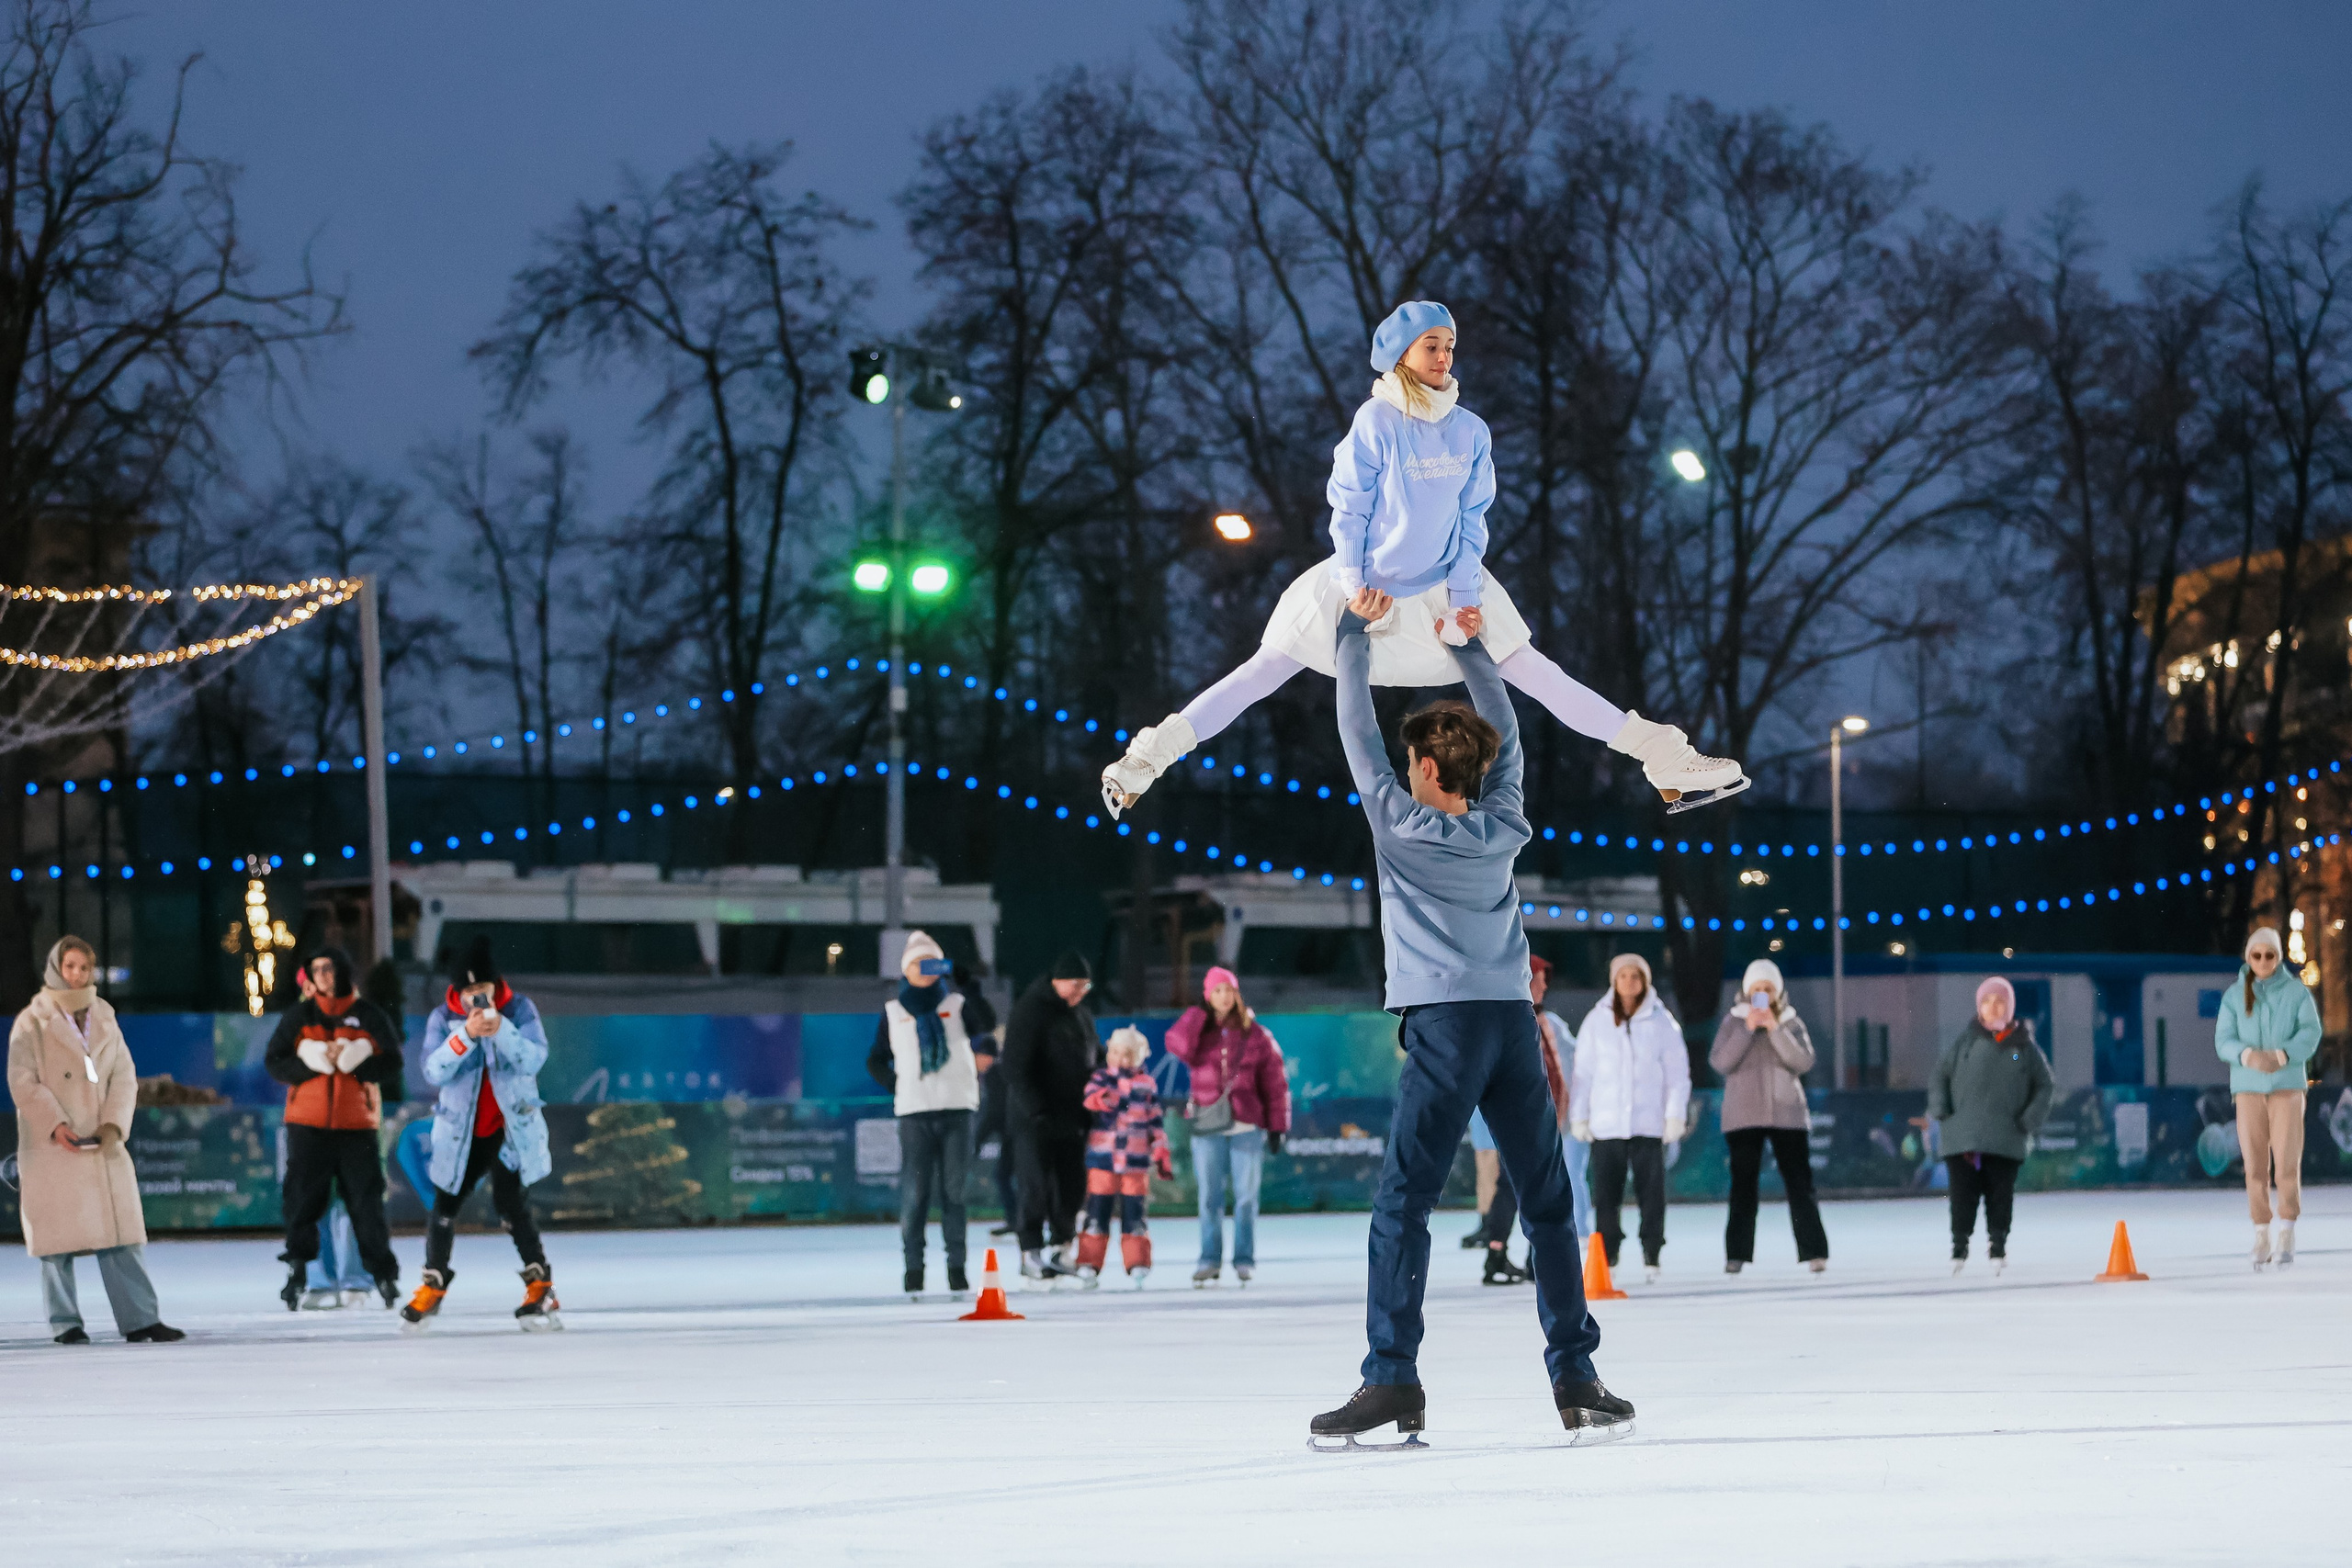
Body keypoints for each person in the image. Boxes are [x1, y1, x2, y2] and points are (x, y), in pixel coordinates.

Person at [1101, 299, 1744, 822]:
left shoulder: (1469, 430)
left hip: (1446, 589)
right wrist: (1354, 585)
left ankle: (1663, 757)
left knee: (1539, 673)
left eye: (1450, 346)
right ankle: (1145, 760)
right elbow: (1347, 511)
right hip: (1367, 589)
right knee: (1260, 672)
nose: (1445, 356)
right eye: (1432, 345)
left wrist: (1465, 595)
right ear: (1402, 354)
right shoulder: (1376, 421)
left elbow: (1472, 519)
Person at [1308, 589, 1632, 1450]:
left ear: (1422, 768)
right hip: (1511, 1023)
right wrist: (1472, 648)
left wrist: (1350, 634)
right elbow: (1510, 732)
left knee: (1402, 1203)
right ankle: (1576, 1376)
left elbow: (1354, 731)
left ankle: (1391, 1379)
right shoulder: (1504, 821)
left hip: (1447, 1027)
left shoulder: (1399, 824)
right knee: (1548, 1203)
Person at [7, 938, 183, 1344]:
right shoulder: (32, 1020)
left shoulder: (104, 1014)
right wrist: (55, 1124)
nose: (77, 975)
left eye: (84, 968)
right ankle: (65, 1323)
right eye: (70, 966)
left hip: (101, 1142)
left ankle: (141, 1319)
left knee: (121, 1234)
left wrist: (113, 1125)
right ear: (56, 968)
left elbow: (124, 1074)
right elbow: (22, 1081)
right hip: (54, 1142)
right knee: (55, 1242)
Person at [401, 938, 559, 1329]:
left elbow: (535, 1058)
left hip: (510, 1129)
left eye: (482, 989)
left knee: (512, 1206)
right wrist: (466, 1037)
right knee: (445, 1204)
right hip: (463, 1133)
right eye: (469, 991)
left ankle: (541, 1286)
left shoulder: (519, 1009)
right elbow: (433, 1070)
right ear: (457, 991)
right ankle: (433, 1285)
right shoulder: (443, 1018)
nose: (476, 998)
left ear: (494, 983)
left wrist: (502, 1029)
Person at [266, 945, 404, 1311]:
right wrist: (312, 1062)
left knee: (364, 1202)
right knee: (304, 1203)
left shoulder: (367, 1015)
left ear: (343, 971)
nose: (324, 975)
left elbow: (392, 1061)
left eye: (329, 968)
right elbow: (275, 1062)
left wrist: (356, 1061)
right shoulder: (300, 1015)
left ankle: (374, 1276)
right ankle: (307, 1276)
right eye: (317, 969)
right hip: (307, 1124)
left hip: (356, 1124)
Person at [866, 931, 988, 1297]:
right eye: (918, 963)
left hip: (956, 1109)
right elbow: (875, 1059)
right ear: (906, 969)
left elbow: (986, 1029)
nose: (925, 970)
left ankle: (956, 1269)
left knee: (955, 1193)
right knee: (916, 1194)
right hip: (915, 1114)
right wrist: (896, 1083)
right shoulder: (893, 1011)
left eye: (932, 962)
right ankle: (914, 1270)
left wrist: (970, 984)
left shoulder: (957, 1004)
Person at [1163, 964, 1290, 1287]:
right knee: (1210, 1197)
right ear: (1208, 996)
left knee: (1246, 1197)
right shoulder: (1198, 1031)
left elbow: (1275, 1083)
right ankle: (1209, 1259)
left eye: (1228, 990)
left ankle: (1244, 1260)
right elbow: (1177, 1046)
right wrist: (1195, 1016)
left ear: (1236, 994)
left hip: (1246, 1124)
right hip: (1207, 1123)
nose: (1223, 997)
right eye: (1216, 991)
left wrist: (1278, 1125)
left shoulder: (1256, 1034)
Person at [1569, 952, 1690, 1282]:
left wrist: (1674, 1115)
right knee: (1606, 1196)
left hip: (1647, 1123)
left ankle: (1652, 1252)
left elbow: (1677, 1073)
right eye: (1622, 976)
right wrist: (1579, 1116)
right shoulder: (1597, 1021)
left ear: (1644, 980)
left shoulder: (1661, 1022)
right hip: (1607, 1126)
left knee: (1652, 1195)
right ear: (1614, 980)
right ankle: (1608, 1256)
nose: (1629, 982)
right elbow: (1583, 1073)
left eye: (1635, 976)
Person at [1476, 956, 1589, 1286]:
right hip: (1521, 1119)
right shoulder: (1510, 1021)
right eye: (1537, 980)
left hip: (1550, 1120)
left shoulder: (1549, 1023)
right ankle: (1500, 1253)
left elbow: (1574, 1061)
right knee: (1515, 1186)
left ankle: (1527, 1257)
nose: (1543, 986)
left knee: (1530, 1187)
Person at [1929, 976, 2054, 1275]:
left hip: (2006, 1135)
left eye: (1999, 1001)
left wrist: (2029, 1119)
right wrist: (1941, 1110)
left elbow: (2044, 1085)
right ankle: (1959, 1246)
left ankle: (1998, 1244)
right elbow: (1940, 1076)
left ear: (2009, 1007)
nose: (1993, 1007)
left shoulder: (2024, 1046)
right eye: (1987, 1001)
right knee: (1962, 1194)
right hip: (1963, 1136)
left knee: (2001, 1194)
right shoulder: (1965, 1041)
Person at [1710, 957, 1826, 1274]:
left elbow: (1803, 1061)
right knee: (1743, 1187)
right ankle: (1736, 1255)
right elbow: (1720, 1062)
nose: (1762, 993)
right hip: (1743, 1117)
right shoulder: (1733, 1022)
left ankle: (1814, 1251)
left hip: (1787, 1115)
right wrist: (1748, 1030)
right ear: (1747, 991)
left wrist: (1774, 1029)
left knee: (1800, 1186)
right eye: (1757, 988)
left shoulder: (1791, 1022)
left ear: (1777, 992)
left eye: (1768, 988)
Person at [2214, 926, 2319, 1269]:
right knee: (2254, 1164)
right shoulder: (2234, 995)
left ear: (2278, 957)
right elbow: (2223, 1039)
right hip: (2248, 1088)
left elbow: (2311, 1031)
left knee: (2287, 1159)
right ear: (2248, 957)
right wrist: (2246, 1055)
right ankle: (2261, 1232)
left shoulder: (2296, 993)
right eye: (2256, 955)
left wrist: (2284, 1055)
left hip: (2287, 1086)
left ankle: (2287, 1228)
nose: (2262, 961)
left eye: (2269, 955)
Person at [1002, 949, 1101, 1284]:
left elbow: (1094, 1058)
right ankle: (1030, 1251)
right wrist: (1036, 1110)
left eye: (1085, 987)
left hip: (1073, 1118)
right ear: (1058, 981)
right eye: (1075, 985)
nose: (1079, 993)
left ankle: (1062, 1248)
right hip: (1036, 1120)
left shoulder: (1081, 1015)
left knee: (1072, 1187)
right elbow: (1015, 1066)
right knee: (1036, 1186)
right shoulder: (1030, 1011)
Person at [290, 961, 371, 1309]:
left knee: (353, 1203)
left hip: (354, 1126)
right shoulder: (298, 1024)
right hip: (310, 1126)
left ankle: (355, 1280)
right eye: (309, 985)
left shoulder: (360, 1017)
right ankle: (322, 1282)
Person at [1076, 1026, 1171, 1288]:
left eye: (1128, 1054)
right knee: (1096, 1212)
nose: (1121, 1058)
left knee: (1135, 1214)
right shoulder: (1101, 1078)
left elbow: (1155, 1122)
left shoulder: (1147, 1086)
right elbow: (1089, 1098)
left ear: (1139, 1057)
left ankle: (1137, 1261)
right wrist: (1103, 1098)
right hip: (1103, 1159)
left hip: (1135, 1162)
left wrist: (1161, 1149)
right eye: (1116, 1052)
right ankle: (1089, 1262)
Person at [958, 962, 1020, 1237]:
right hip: (1007, 1122)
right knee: (1004, 1175)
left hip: (1012, 1124)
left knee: (1012, 1175)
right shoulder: (996, 1061)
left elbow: (985, 1020)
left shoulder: (1005, 1063)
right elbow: (984, 1019)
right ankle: (1017, 1220)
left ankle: (1022, 1221)